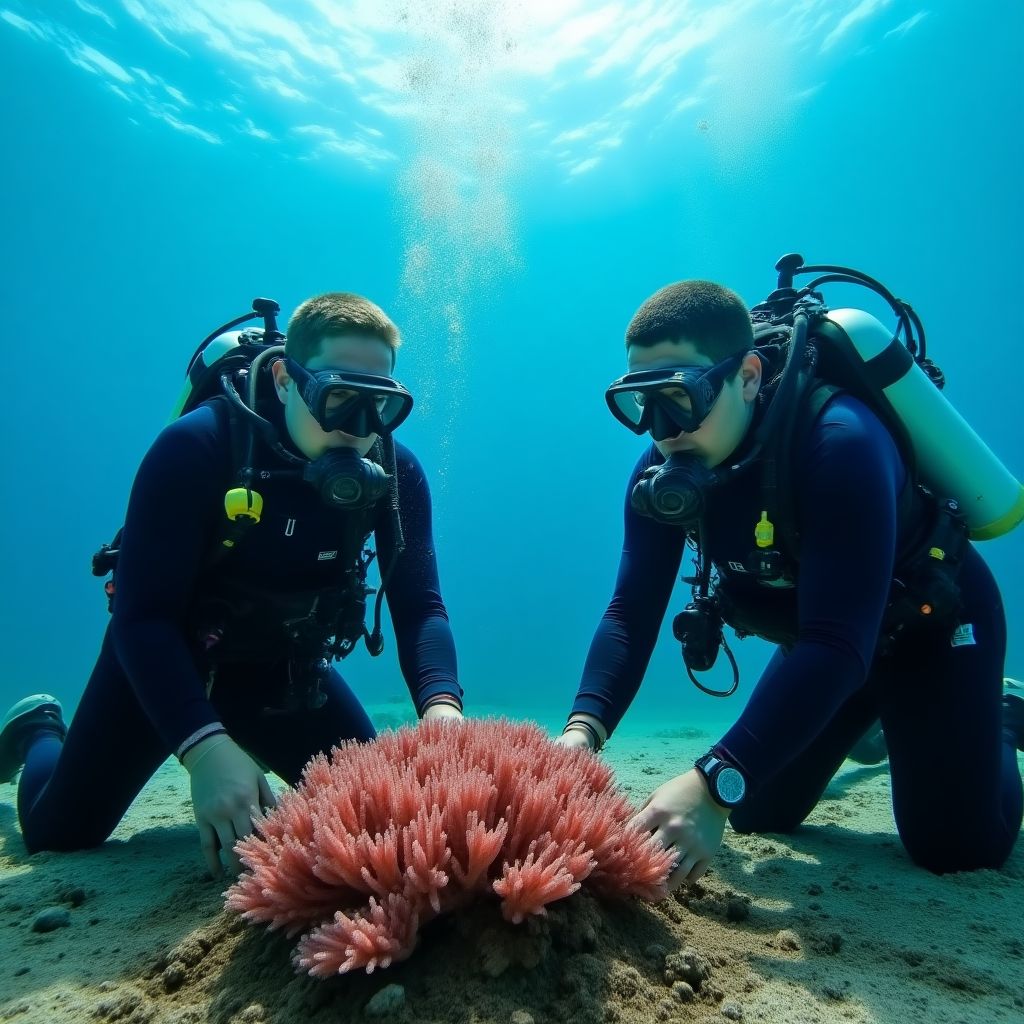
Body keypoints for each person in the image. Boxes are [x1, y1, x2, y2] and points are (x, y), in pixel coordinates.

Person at [557, 277, 1023, 886]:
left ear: (747, 376)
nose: (662, 428)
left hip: (931, 626)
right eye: (638, 403)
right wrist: (579, 735)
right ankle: (871, 717)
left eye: (680, 395)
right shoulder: (660, 473)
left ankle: (1004, 718)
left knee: (955, 847)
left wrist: (711, 780)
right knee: (756, 810)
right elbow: (629, 614)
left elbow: (835, 642)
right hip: (828, 648)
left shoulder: (841, 443)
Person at [0, 292, 462, 875]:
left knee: (378, 815)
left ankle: (242, 741)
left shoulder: (399, 474)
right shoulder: (196, 448)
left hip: (285, 674)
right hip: (169, 663)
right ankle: (37, 732)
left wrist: (442, 707)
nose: (358, 428)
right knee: (58, 834)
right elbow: (141, 620)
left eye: (380, 406)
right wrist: (204, 750)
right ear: (285, 378)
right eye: (339, 397)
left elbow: (420, 607)